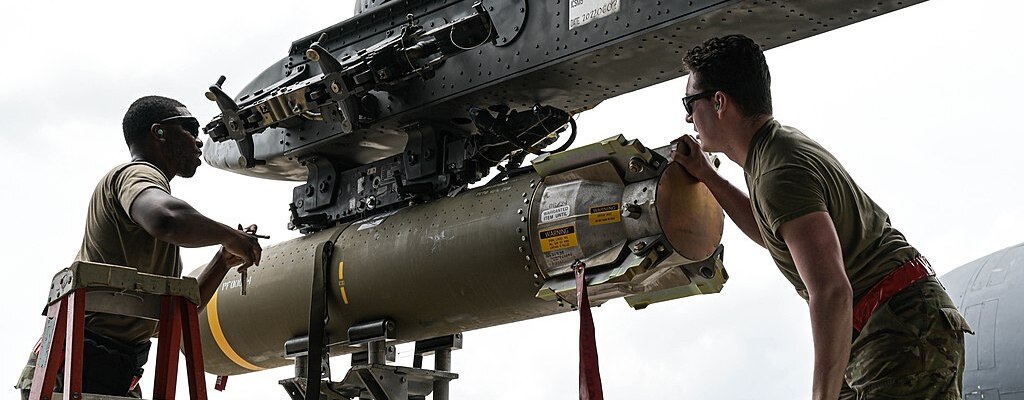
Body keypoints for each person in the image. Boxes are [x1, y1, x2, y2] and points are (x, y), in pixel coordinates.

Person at [670, 35, 972, 399]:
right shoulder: (773, 150)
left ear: (719, 102)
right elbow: (773, 232)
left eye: (690, 102)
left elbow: (831, 290)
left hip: (899, 329)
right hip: (881, 326)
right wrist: (709, 176)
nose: (688, 116)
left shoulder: (778, 173)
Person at [16, 95, 263, 398]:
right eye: (190, 129)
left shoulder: (154, 220)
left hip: (114, 372)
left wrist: (222, 261)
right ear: (159, 132)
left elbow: (175, 313)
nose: (199, 142)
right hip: (68, 371)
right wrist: (230, 235)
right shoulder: (138, 174)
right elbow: (165, 218)